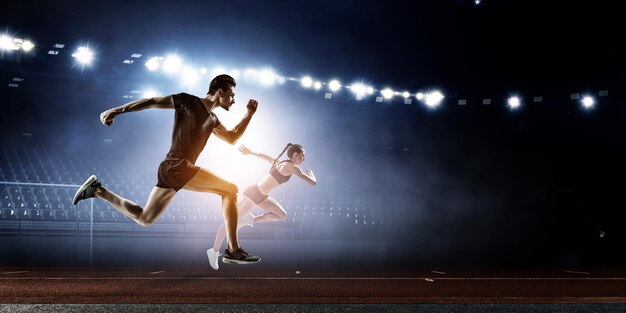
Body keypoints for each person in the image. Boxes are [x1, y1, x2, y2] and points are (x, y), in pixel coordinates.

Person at [72, 74, 260, 264]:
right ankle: (233, 250)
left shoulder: (213, 119)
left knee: (145, 218)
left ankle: (97, 190)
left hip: (172, 169)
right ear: (220, 92)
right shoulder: (188, 101)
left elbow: (232, 138)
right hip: (177, 166)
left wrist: (248, 115)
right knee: (230, 190)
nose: (234, 100)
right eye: (232, 95)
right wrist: (115, 110)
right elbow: (152, 101)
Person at [207, 143, 316, 270]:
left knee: (282, 215)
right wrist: (311, 174)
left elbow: (264, 156)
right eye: (303, 156)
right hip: (254, 194)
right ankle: (213, 251)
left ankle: (252, 220)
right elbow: (312, 182)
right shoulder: (291, 167)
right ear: (295, 155)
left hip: (262, 197)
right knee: (227, 225)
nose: (304, 159)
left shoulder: (280, 163)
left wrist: (250, 152)